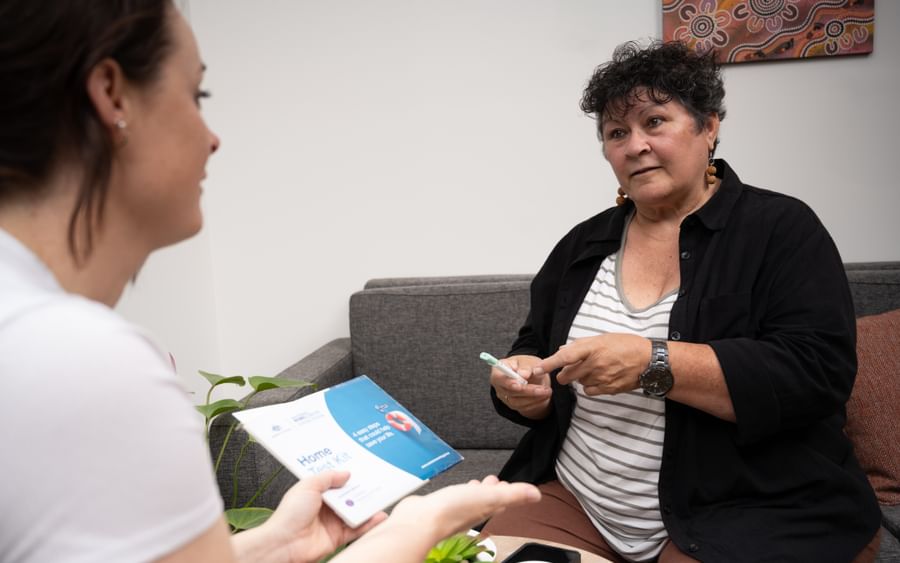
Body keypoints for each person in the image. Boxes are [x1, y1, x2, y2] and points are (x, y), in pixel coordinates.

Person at [0, 2, 540, 562]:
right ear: (112, 95)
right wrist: (418, 526)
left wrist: (273, 546)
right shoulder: (88, 363)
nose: (213, 139)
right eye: (195, 96)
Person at [483, 40, 881, 563]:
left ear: (709, 126)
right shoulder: (583, 244)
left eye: (655, 122)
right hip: (580, 499)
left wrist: (654, 362)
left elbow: (816, 376)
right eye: (616, 132)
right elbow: (534, 345)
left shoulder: (781, 229)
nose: (635, 145)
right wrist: (522, 386)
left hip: (745, 508)